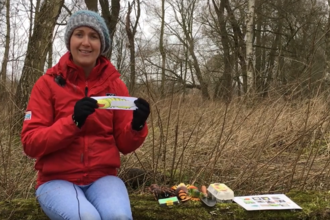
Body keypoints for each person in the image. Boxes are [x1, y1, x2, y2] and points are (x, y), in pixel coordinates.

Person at [21, 10, 150, 220]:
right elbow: (30, 143)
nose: (86, 43)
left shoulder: (115, 85)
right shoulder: (47, 84)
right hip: (56, 180)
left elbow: (125, 145)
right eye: (79, 34)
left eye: (94, 36)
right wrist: (72, 122)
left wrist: (137, 126)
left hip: (103, 178)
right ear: (69, 40)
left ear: (102, 45)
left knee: (119, 217)